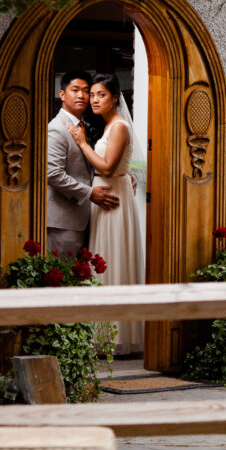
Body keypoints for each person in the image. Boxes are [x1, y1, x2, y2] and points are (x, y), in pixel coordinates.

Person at [69, 72, 144, 355]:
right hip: (107, 192)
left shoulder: (119, 126)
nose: (95, 100)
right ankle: (103, 334)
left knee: (113, 259)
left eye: (101, 95)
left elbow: (109, 167)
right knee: (104, 259)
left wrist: (82, 142)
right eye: (93, 95)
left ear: (115, 97)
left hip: (111, 194)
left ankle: (116, 336)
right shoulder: (109, 126)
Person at [46, 70, 119, 258]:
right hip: (64, 222)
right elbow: (52, 173)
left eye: (86, 91)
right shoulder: (56, 128)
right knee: (62, 279)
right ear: (62, 94)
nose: (81, 95)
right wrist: (89, 193)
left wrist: (124, 176)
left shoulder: (85, 126)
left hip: (86, 219)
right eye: (75, 90)